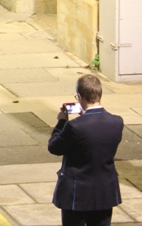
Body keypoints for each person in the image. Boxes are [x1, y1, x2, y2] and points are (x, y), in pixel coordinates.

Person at [48, 74, 124, 226]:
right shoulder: (117, 122)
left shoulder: (74, 126)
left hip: (78, 194)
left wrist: (61, 122)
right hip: (104, 192)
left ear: (81, 97)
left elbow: (54, 147)